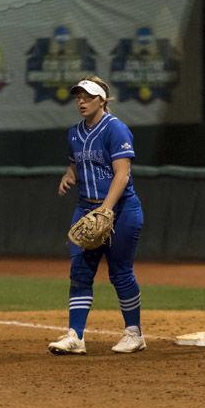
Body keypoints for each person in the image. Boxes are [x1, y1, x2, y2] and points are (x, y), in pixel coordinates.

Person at [48, 76, 145, 355]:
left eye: (88, 96)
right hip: (85, 206)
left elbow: (122, 174)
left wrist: (106, 209)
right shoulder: (74, 133)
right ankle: (75, 336)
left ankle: (134, 333)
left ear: (102, 99)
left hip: (122, 209)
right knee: (79, 272)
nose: (81, 101)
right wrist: (69, 174)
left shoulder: (116, 129)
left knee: (120, 273)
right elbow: (76, 163)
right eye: (78, 96)